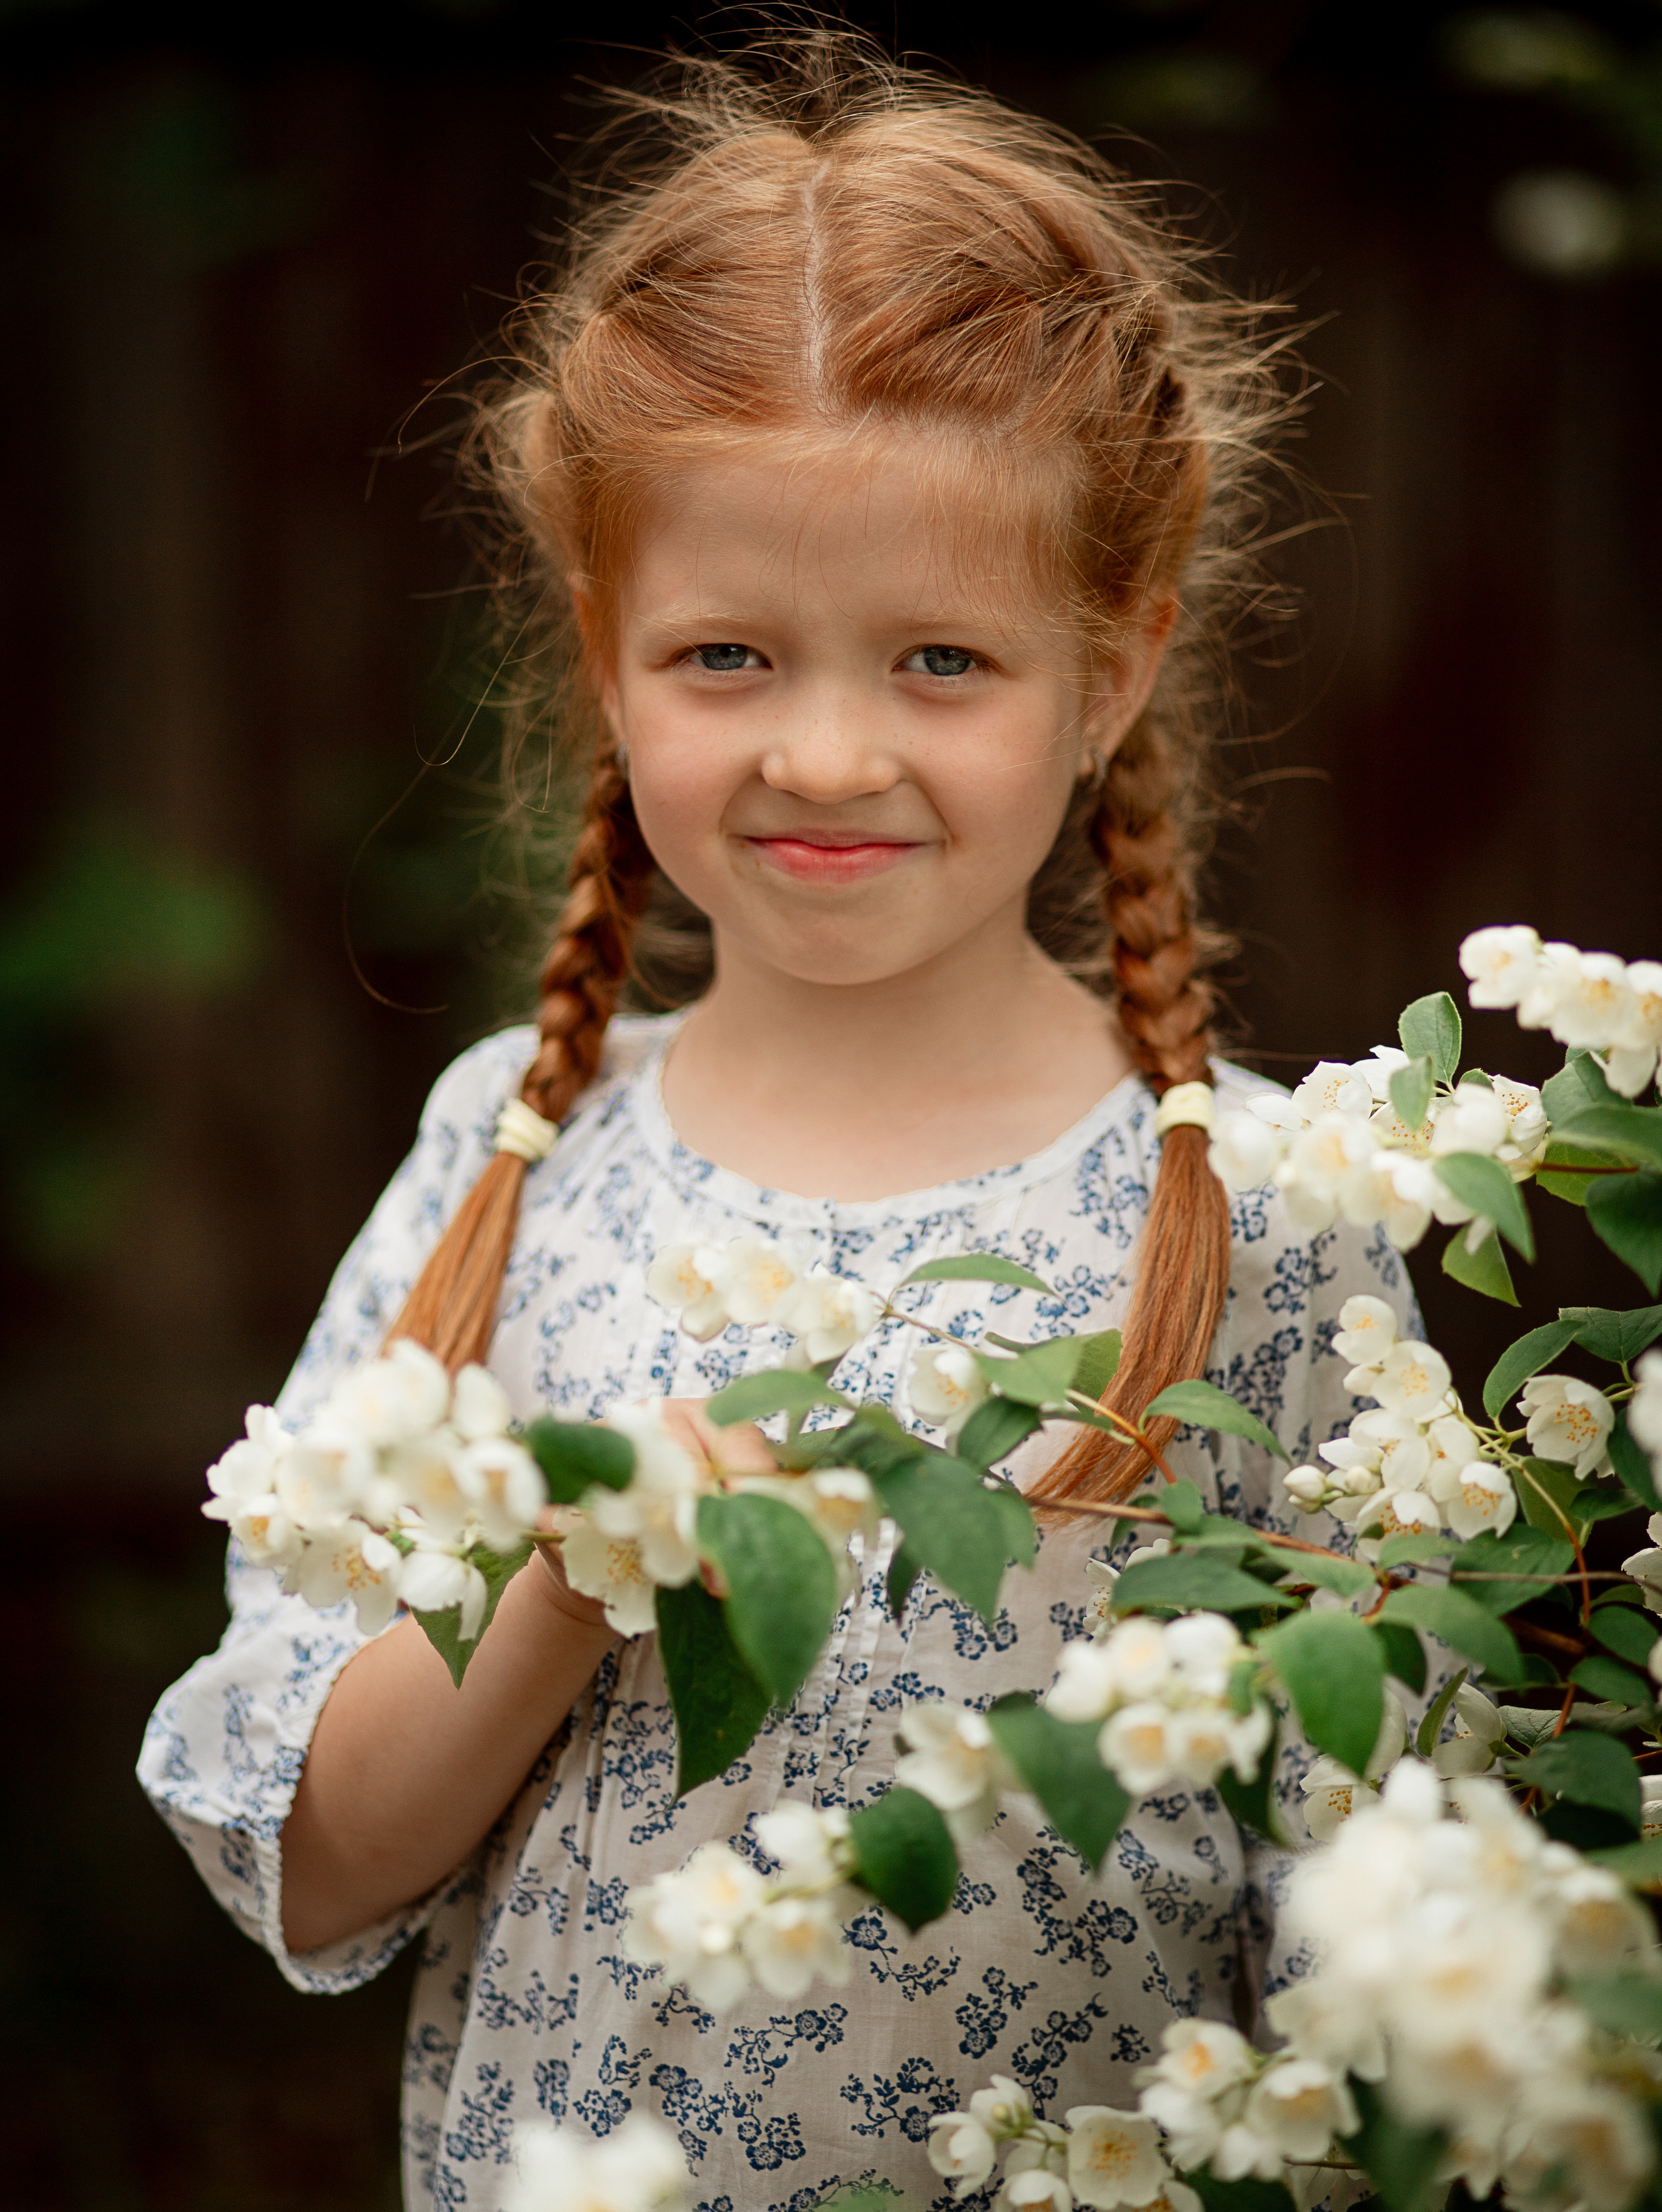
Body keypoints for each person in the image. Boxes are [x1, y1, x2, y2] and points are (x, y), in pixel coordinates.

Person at [140, 35, 1413, 2211]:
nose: (827, 754)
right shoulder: (514, 1161)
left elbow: (1377, 1932)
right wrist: (560, 1587)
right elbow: (322, 1870)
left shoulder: (1264, 1210)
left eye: (941, 661)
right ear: (608, 656)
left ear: (1110, 672)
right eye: (729, 657)